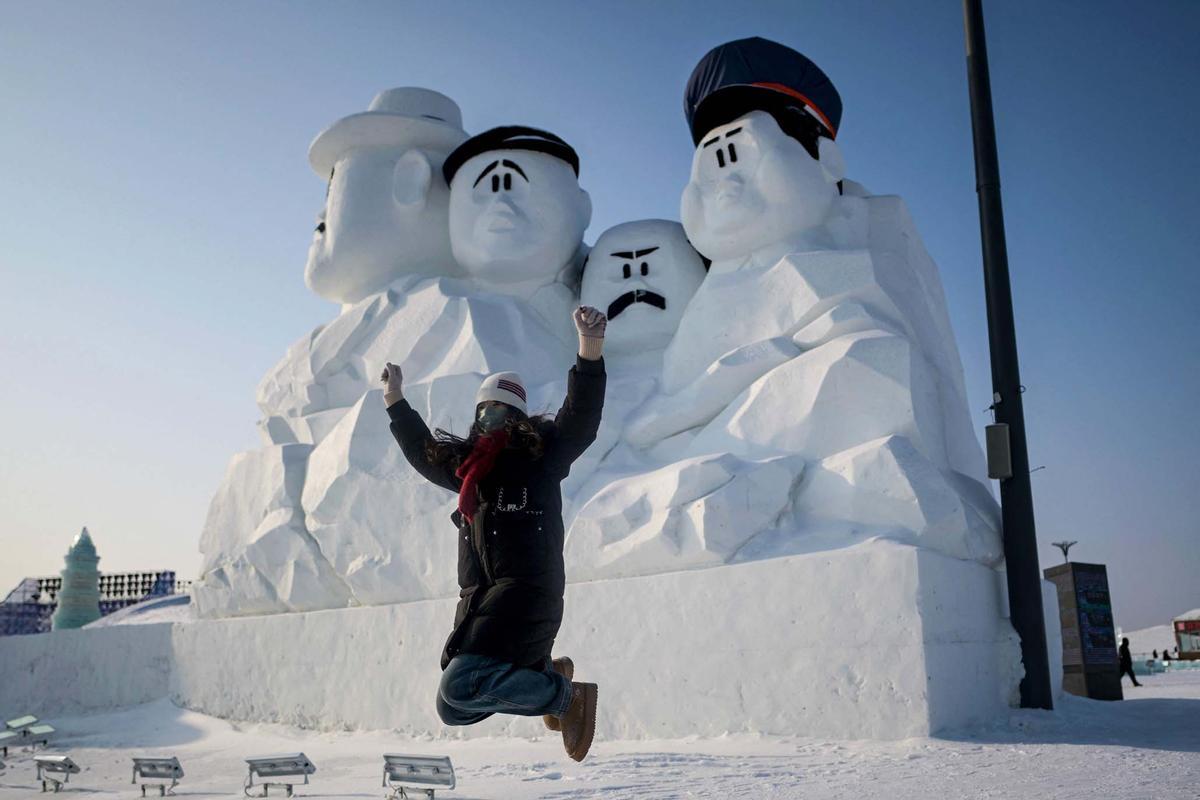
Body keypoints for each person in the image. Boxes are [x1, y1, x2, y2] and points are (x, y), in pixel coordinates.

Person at [380, 305, 608, 761]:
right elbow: (424, 454)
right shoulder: (469, 473)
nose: (494, 423)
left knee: (461, 684)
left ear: (520, 419)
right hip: (483, 602)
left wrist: (590, 349)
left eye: (504, 415)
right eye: (485, 414)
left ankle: (566, 698)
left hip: (527, 594)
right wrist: (395, 400)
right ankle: (547, 675)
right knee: (451, 708)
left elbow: (579, 418)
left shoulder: (543, 459)